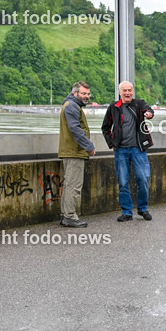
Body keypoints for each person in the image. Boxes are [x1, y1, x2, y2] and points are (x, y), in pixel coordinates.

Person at [102, 81, 155, 222]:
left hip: (138, 149)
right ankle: (126, 211)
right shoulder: (114, 107)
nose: (127, 93)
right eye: (124, 90)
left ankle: (143, 209)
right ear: (120, 92)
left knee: (143, 178)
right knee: (123, 181)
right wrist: (111, 143)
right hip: (121, 150)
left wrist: (149, 114)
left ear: (133, 91)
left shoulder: (138, 104)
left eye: (129, 90)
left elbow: (148, 110)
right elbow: (105, 127)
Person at [58, 81, 96, 228]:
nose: (86, 96)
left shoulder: (70, 105)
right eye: (83, 94)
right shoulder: (72, 106)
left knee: (69, 184)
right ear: (75, 93)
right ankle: (70, 217)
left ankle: (66, 214)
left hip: (72, 150)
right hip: (74, 151)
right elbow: (75, 129)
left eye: (88, 94)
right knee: (73, 185)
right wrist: (89, 145)